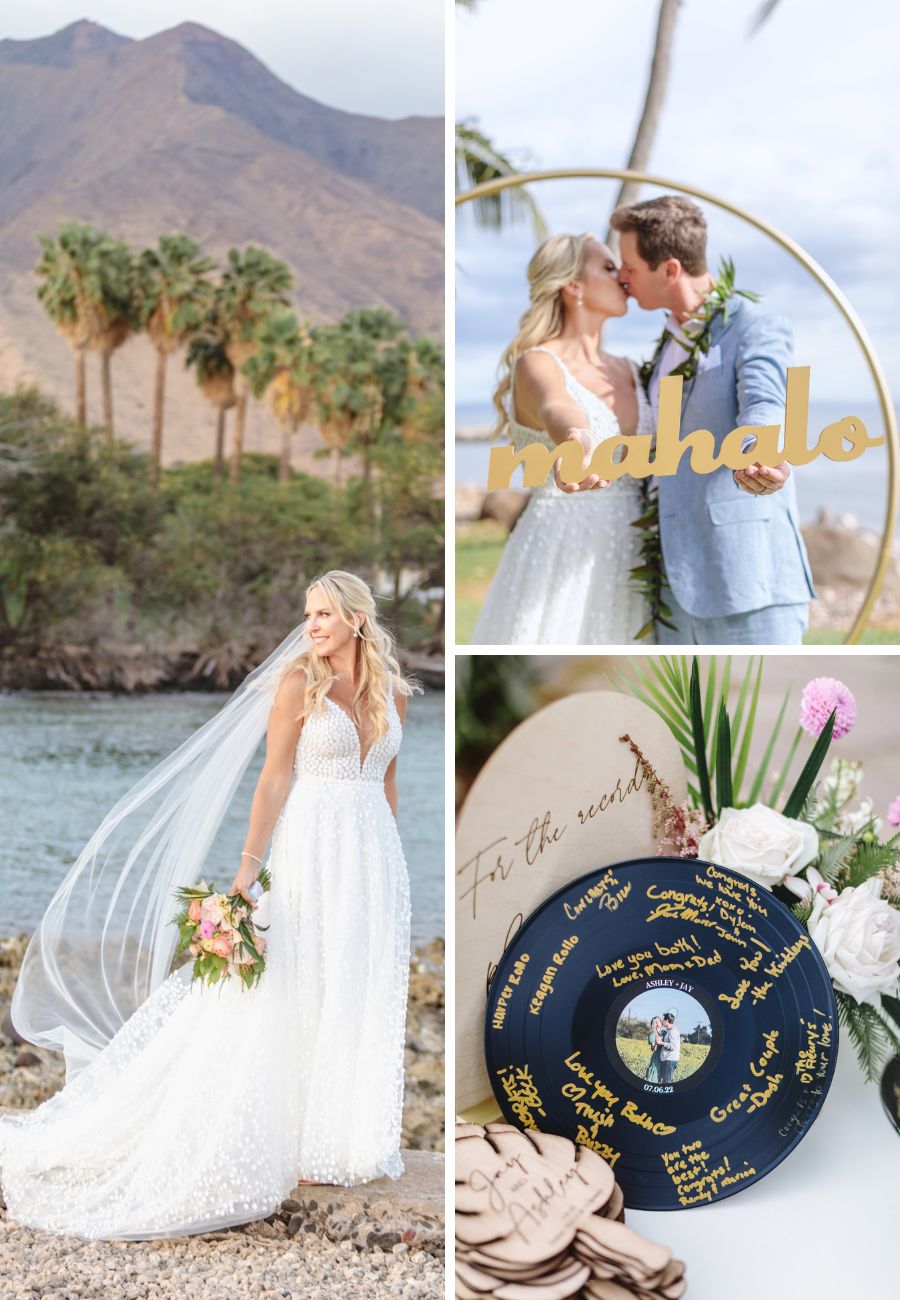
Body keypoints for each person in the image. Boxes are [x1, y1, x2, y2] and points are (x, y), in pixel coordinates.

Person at [0, 570, 418, 1240]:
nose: (312, 626)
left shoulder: (393, 692)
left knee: (356, 987)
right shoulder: (297, 685)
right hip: (310, 852)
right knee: (290, 982)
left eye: (324, 615)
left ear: (357, 619)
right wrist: (246, 874)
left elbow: (388, 787)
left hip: (374, 862)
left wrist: (396, 870)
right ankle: (283, 1137)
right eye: (307, 614)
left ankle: (340, 1142)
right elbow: (274, 779)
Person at [611, 195, 815, 645]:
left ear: (669, 270)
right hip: (670, 592)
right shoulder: (665, 345)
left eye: (629, 266)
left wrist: (761, 452)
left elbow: (764, 402)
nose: (621, 276)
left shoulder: (756, 324)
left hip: (746, 580)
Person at [471, 232, 654, 645]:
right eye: (608, 268)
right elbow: (558, 406)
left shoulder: (634, 370)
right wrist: (578, 440)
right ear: (573, 286)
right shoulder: (537, 363)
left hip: (632, 550)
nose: (623, 277)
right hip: (561, 544)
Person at [658, 1010, 682, 1086]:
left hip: (669, 1060)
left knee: (666, 1083)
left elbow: (673, 1046)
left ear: (667, 1020)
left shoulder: (672, 1031)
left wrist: (661, 1043)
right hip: (669, 1059)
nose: (662, 1021)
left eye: (663, 1020)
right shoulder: (670, 1030)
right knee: (666, 1081)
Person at [644, 1014, 666, 1083]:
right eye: (656, 1022)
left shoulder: (664, 1032)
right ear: (654, 1024)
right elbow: (653, 1049)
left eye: (659, 1021)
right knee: (655, 1075)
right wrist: (656, 1043)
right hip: (657, 1057)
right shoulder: (653, 1034)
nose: (658, 1023)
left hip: (665, 1056)